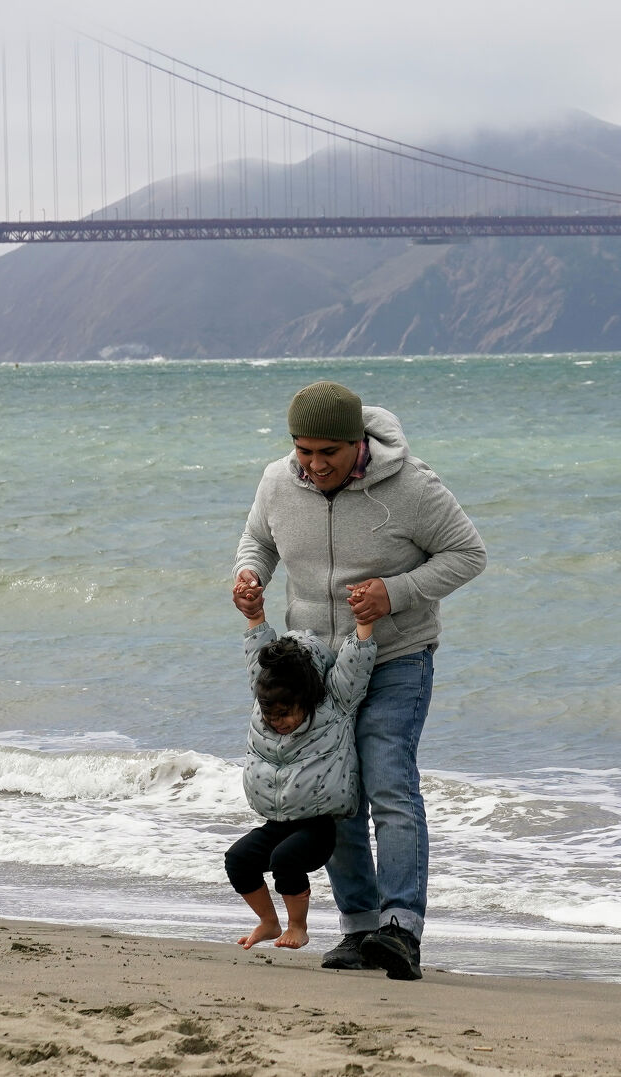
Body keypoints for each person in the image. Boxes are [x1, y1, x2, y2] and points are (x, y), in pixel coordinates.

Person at [232, 380, 486, 981]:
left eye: (328, 453)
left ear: (357, 444)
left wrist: (394, 594)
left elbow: (467, 553)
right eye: (303, 451)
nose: (314, 465)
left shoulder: (412, 486)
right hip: (315, 664)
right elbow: (258, 540)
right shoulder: (276, 481)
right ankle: (359, 927)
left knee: (389, 784)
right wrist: (249, 573)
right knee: (335, 794)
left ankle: (402, 930)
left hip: (396, 656)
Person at [225, 623, 375, 950]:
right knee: (237, 859)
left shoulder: (334, 703)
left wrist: (364, 624)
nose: (277, 722)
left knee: (285, 859)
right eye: (269, 715)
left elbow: (356, 666)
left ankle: (297, 926)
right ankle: (268, 922)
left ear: (305, 699)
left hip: (318, 826)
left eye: (285, 714)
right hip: (278, 823)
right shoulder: (266, 693)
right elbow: (257, 656)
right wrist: (253, 616)